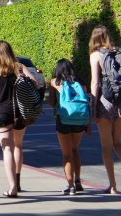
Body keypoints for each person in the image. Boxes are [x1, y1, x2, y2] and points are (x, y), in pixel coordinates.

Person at [0, 40, 39, 198]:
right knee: (18, 146)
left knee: (7, 149)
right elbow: (36, 84)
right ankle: (17, 181)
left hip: (1, 113)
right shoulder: (19, 67)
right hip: (20, 112)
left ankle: (12, 187)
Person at [89, 25, 121, 194]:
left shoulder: (96, 55)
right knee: (119, 142)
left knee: (106, 146)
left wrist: (93, 107)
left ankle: (113, 186)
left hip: (105, 103)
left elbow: (95, 82)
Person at [49, 58, 90, 195]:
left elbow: (51, 104)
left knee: (66, 154)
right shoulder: (81, 83)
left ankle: (71, 186)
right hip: (80, 120)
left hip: (64, 120)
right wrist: (88, 124)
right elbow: (86, 103)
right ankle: (78, 181)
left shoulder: (55, 82)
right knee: (75, 149)